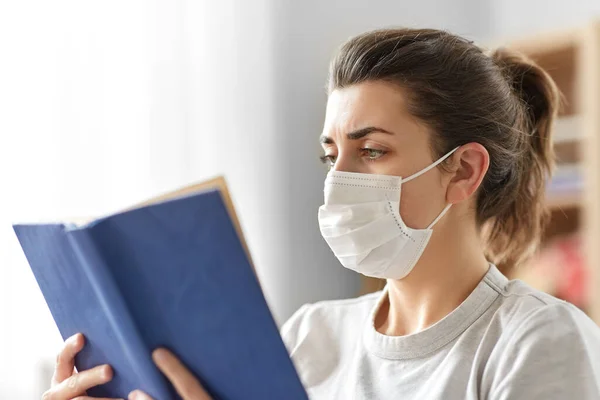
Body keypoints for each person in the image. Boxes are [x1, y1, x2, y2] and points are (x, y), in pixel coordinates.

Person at [44, 28, 600, 400]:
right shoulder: (310, 335)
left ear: (462, 171)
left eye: (373, 150)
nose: (339, 181)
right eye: (331, 155)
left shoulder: (538, 340)